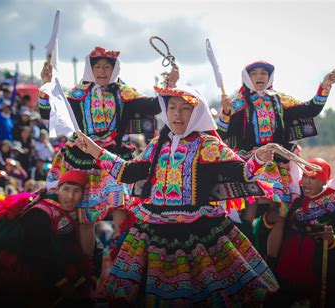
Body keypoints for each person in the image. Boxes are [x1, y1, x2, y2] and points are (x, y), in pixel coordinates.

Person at [73, 83, 279, 306]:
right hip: (153, 227)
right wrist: (94, 149)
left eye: (185, 108)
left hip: (198, 229)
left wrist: (258, 158)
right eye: (172, 108)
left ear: (197, 112)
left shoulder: (208, 145)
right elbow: (127, 172)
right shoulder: (157, 145)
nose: (177, 114)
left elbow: (242, 172)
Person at [39, 46, 178, 258]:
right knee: (85, 218)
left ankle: (118, 261)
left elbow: (153, 106)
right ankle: (87, 271)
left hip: (114, 160)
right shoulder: (77, 94)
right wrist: (46, 86)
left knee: (120, 207)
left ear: (114, 70)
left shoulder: (124, 92)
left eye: (106, 67)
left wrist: (169, 85)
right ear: (90, 69)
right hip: (81, 159)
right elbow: (48, 112)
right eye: (97, 67)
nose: (102, 71)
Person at [217, 61, 335, 265]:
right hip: (250, 161)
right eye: (254, 73)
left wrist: (324, 87)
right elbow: (220, 134)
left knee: (281, 212)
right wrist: (225, 114)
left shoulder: (280, 99)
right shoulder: (237, 102)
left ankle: (271, 265)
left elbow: (310, 109)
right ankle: (248, 262)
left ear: (270, 77)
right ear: (247, 78)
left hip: (277, 161)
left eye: (264, 72)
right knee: (250, 206)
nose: (259, 76)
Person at [0, 170, 94, 307]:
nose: (70, 196)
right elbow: (36, 251)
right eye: (66, 189)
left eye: (76, 191)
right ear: (57, 190)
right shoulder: (40, 212)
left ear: (83, 194)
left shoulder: (76, 213)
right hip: (21, 278)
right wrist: (62, 283)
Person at [260, 158, 335, 307]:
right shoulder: (298, 201)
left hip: (321, 269)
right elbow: (279, 228)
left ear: (323, 181)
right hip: (288, 270)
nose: (306, 182)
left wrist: (332, 239)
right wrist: (269, 218)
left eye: (312, 178)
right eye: (305, 177)